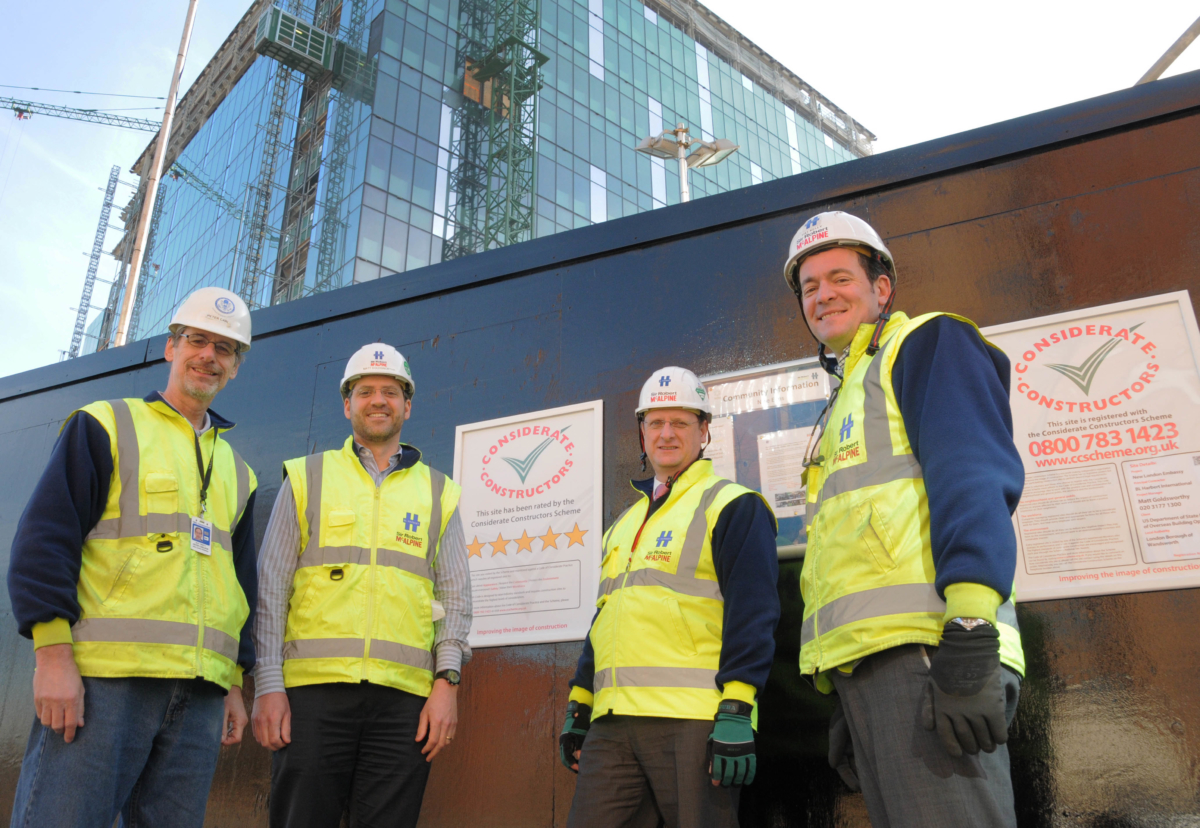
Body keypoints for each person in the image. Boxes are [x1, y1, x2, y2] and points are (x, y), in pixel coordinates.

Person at [783, 211, 1026, 827]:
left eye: (839, 277)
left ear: (881, 286)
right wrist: (843, 683)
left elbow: (971, 474)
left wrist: (970, 625)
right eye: (809, 287)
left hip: (933, 651)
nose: (823, 295)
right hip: (875, 669)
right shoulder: (849, 392)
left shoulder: (925, 343)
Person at [7, 286, 258, 827]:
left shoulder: (240, 473)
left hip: (199, 699)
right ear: (171, 347)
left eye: (225, 349)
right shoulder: (104, 425)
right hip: (103, 685)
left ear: (236, 367)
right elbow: (45, 540)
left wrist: (235, 682)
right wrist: (52, 658)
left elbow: (241, 588)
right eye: (197, 340)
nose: (209, 356)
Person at [251, 342, 471, 828]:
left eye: (390, 391)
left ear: (407, 406)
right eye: (365, 390)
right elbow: (271, 588)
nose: (378, 400)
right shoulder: (309, 476)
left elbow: (456, 598)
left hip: (404, 704)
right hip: (311, 696)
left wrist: (447, 683)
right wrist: (267, 684)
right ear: (347, 404)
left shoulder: (439, 492)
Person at [559, 366, 780, 828]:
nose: (666, 434)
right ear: (642, 434)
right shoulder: (623, 524)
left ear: (704, 431)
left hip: (693, 722)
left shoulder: (734, 505)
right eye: (655, 423)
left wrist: (738, 707)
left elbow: (754, 614)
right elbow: (605, 617)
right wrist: (580, 703)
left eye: (680, 423)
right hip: (613, 722)